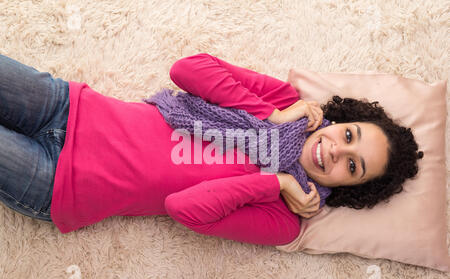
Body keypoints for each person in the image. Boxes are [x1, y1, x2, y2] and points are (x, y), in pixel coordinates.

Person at [0, 53, 423, 246]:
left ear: (351, 187)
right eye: (348, 137)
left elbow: (184, 208)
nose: (335, 152)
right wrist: (271, 115)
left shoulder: (285, 219)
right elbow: (187, 70)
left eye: (353, 166)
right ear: (340, 122)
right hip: (70, 105)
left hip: (58, 182)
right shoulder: (284, 104)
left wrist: (274, 182)